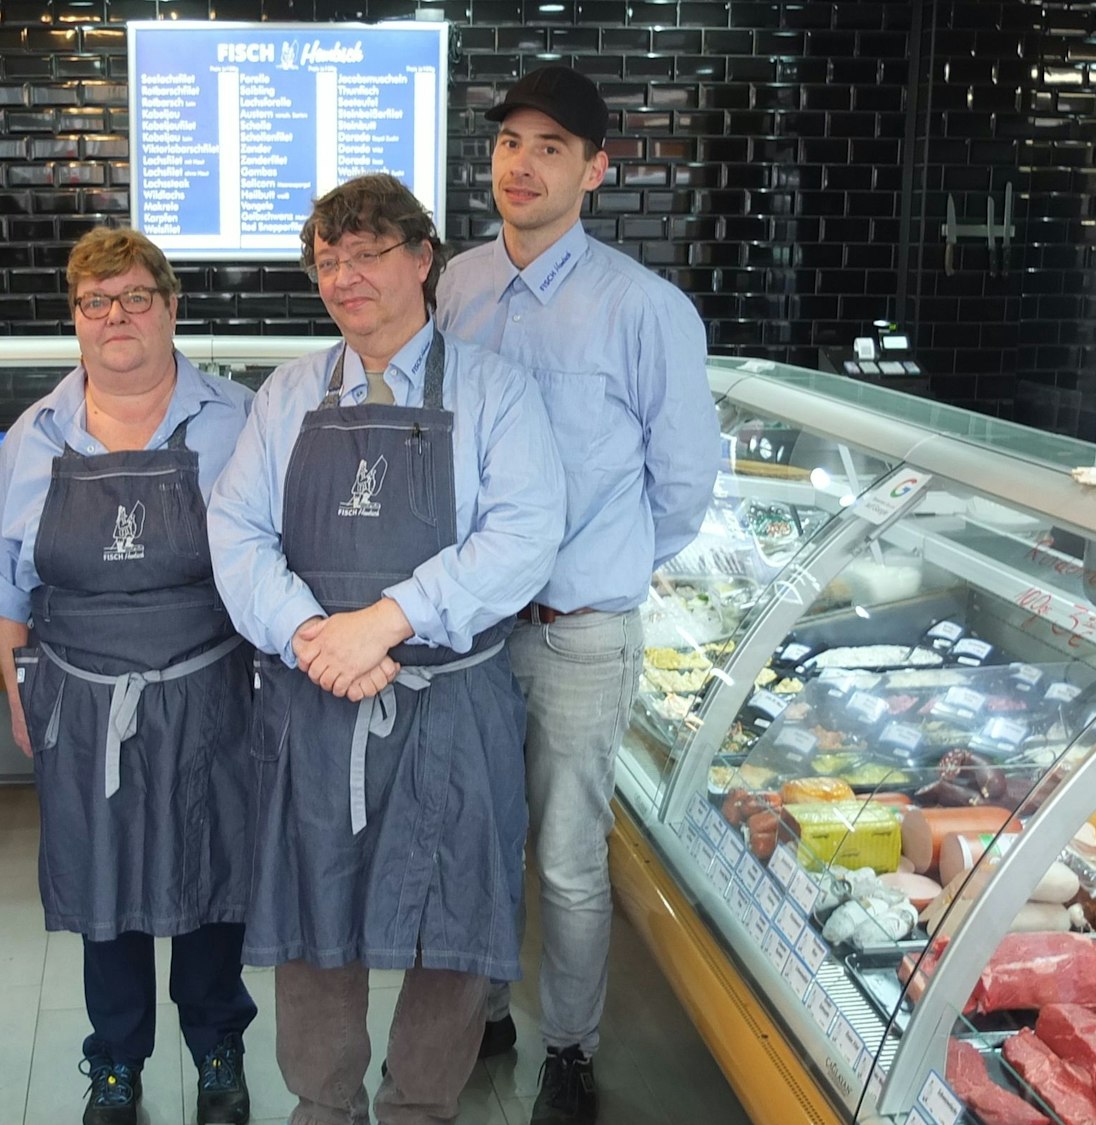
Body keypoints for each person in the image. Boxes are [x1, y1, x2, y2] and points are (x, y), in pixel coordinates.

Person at [207, 173, 565, 1125]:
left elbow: (524, 535)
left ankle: (419, 1109)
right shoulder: (287, 394)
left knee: (448, 927)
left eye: (367, 254)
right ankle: (323, 1107)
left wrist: (389, 619)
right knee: (312, 924)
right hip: (312, 699)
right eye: (328, 260)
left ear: (421, 260)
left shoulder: (497, 392)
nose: (346, 277)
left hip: (452, 701)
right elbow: (236, 532)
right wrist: (310, 634)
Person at [435, 65, 719, 1124]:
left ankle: (568, 1045)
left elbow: (681, 486)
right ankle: (486, 1013)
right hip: (465, 630)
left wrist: (598, 574)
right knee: (475, 841)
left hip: (573, 636)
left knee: (562, 862)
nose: (522, 163)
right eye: (511, 141)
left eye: (551, 146)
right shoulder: (455, 285)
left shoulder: (643, 312)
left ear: (596, 170)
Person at [0, 226, 259, 1125]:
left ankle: (218, 1050)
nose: (116, 317)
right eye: (97, 302)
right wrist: (23, 699)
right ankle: (116, 1061)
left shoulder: (238, 419)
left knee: (214, 876)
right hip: (82, 702)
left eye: (136, 297)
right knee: (105, 887)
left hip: (210, 693)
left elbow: (274, 558)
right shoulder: (36, 433)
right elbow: (8, 584)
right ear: (75, 319)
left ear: (171, 309)